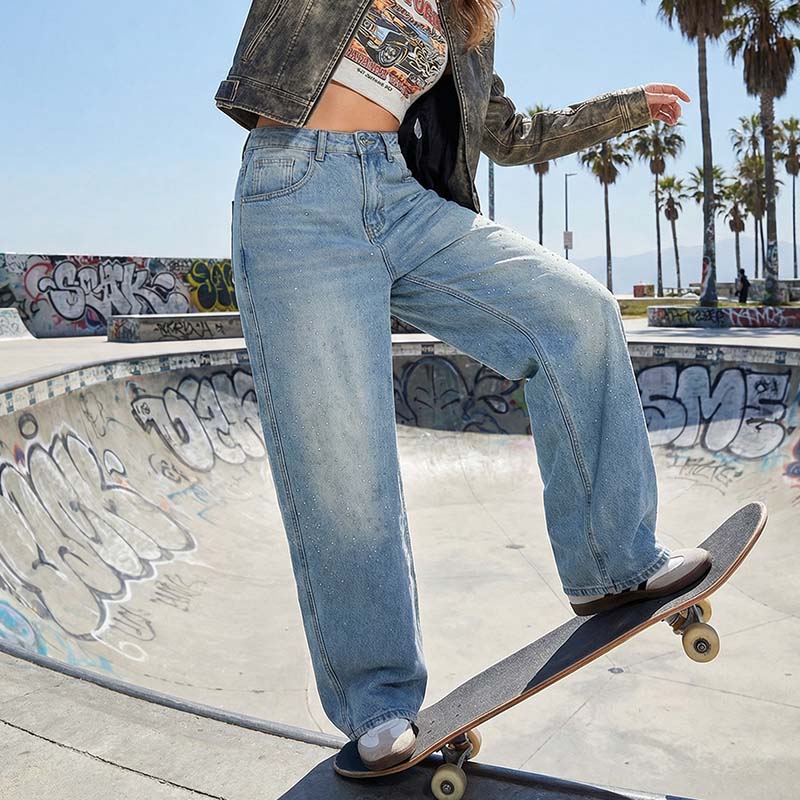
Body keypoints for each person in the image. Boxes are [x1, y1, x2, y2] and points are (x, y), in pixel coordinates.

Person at [215, 0, 711, 772]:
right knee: (344, 465)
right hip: (295, 195)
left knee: (577, 315)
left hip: (404, 199)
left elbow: (511, 134)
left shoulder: (465, 14)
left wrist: (625, 109)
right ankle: (377, 699)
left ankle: (613, 561)